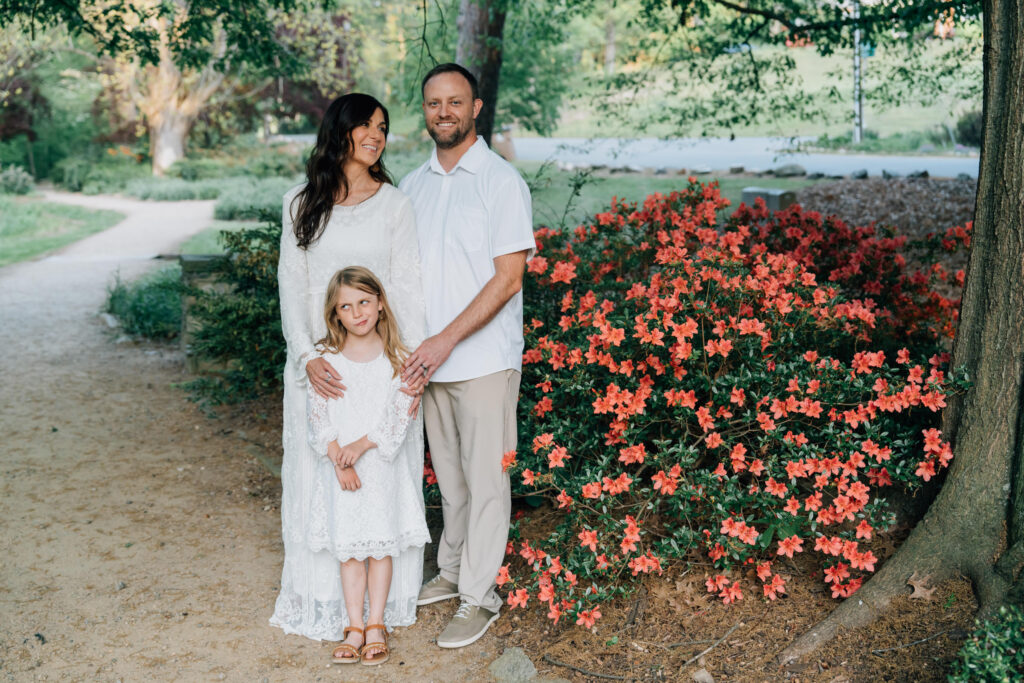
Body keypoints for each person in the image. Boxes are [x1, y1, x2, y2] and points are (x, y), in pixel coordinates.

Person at [270, 93, 427, 654]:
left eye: (383, 127)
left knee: (379, 478)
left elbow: (405, 285)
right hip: (319, 366)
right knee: (322, 477)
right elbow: (292, 284)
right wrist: (306, 356)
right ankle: (333, 605)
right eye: (366, 125)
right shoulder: (299, 203)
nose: (376, 135)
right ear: (340, 131)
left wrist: (410, 363)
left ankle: (378, 614)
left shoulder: (395, 203)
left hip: (379, 367)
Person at [399, 63, 535, 649]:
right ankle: (452, 572)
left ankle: (481, 597)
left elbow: (508, 279)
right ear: (425, 110)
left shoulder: (500, 182)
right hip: (430, 363)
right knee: (450, 482)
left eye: (456, 102)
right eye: (434, 103)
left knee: (485, 484)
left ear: (476, 108)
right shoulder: (412, 185)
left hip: (483, 362)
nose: (444, 112)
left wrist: (445, 340)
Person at [305, 266, 430, 665]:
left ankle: (376, 622)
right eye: (346, 306)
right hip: (343, 470)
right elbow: (318, 417)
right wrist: (338, 458)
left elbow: (398, 417)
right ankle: (353, 624)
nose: (357, 312)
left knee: (379, 546)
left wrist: (360, 446)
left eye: (364, 302)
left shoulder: (398, 358)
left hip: (379, 468)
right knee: (350, 552)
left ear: (379, 304)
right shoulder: (326, 359)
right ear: (335, 313)